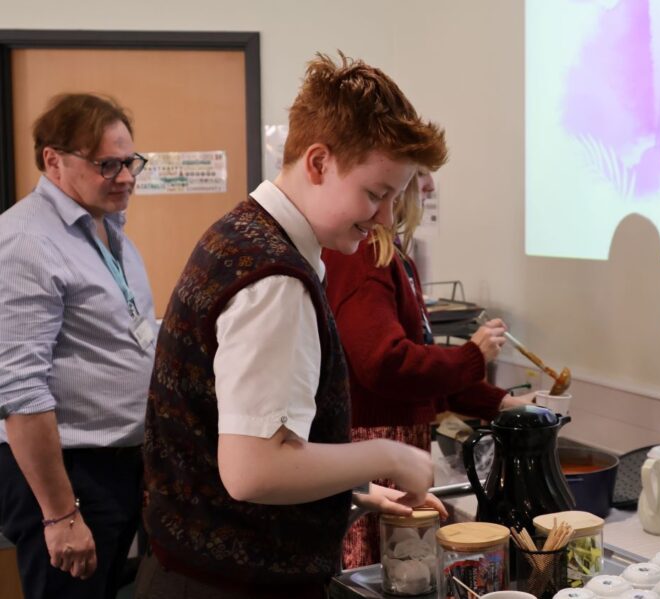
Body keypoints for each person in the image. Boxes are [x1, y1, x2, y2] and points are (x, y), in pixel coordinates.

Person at [136, 53, 448, 599]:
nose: (384, 219)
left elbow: (247, 438)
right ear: (319, 162)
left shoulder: (242, 234)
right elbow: (254, 470)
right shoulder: (274, 278)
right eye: (376, 194)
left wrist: (360, 491)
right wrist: (391, 455)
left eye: (395, 198)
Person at [322, 170, 535, 567]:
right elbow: (386, 364)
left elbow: (424, 372)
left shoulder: (392, 253)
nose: (432, 186)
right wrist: (472, 357)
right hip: (376, 449)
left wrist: (504, 402)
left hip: (394, 445)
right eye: (420, 174)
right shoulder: (368, 255)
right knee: (379, 574)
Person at [0, 93, 156, 599]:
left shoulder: (108, 227)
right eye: (107, 164)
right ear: (54, 160)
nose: (127, 176)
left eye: (129, 161)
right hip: (64, 473)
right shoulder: (26, 241)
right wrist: (61, 515)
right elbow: (21, 392)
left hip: (116, 465)